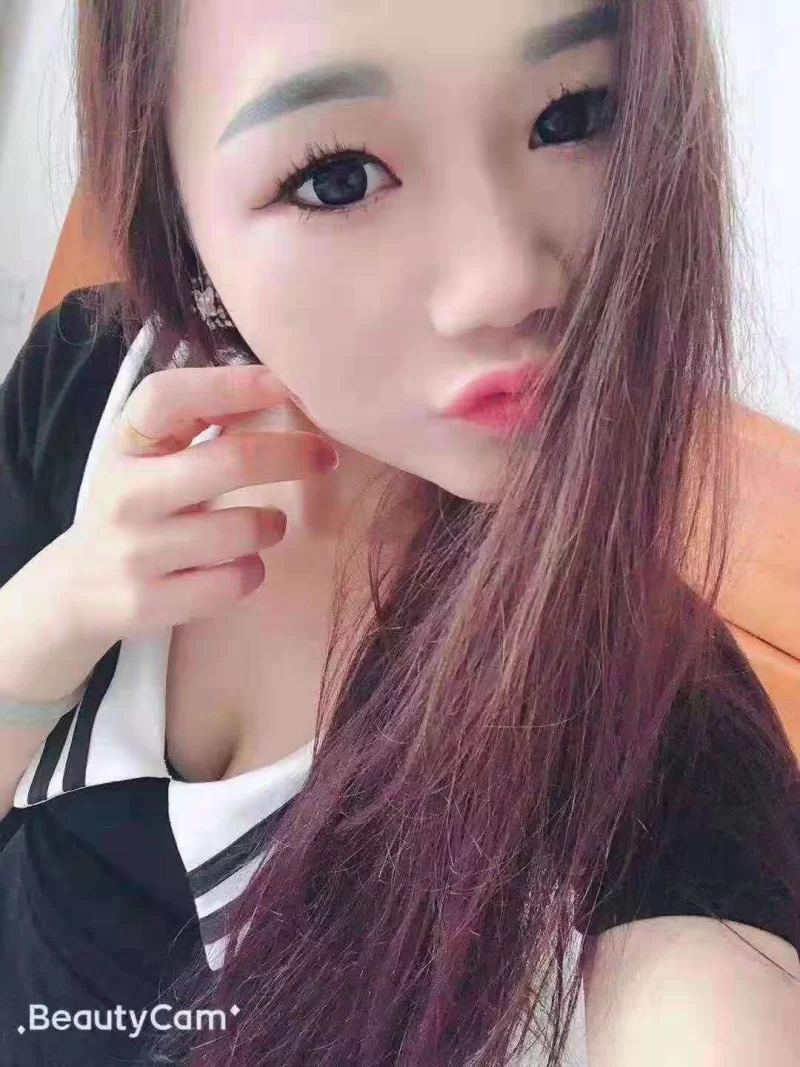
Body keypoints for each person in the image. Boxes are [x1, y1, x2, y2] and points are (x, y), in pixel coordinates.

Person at [0, 0, 798, 1065]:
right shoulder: (91, 380)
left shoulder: (656, 705)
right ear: (177, 212)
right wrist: (61, 608)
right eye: (337, 178)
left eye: (571, 114)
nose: (505, 279)